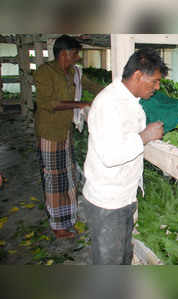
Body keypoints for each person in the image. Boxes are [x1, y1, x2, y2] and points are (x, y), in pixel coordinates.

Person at [82, 48, 178, 264]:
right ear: (138, 75)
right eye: (154, 81)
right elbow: (110, 155)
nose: (157, 87)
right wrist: (145, 136)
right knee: (109, 263)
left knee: (123, 257)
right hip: (108, 202)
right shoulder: (108, 104)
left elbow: (163, 103)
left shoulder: (131, 97)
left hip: (124, 196)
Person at [33, 34, 103, 239]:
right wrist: (79, 104)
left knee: (69, 177)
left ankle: (69, 218)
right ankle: (57, 225)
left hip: (65, 131)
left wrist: (115, 92)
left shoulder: (75, 73)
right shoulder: (45, 72)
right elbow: (48, 103)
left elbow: (94, 87)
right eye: (75, 54)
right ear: (64, 53)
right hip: (50, 132)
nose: (77, 58)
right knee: (54, 179)